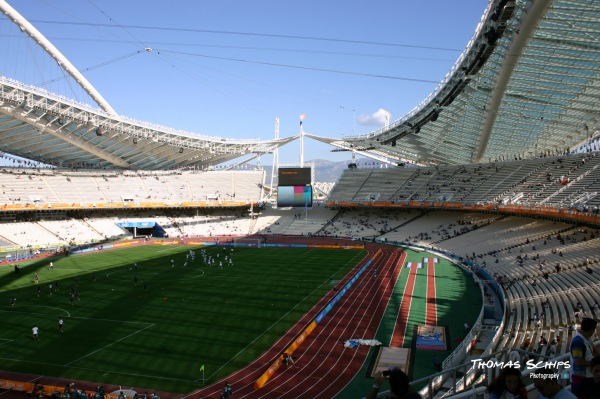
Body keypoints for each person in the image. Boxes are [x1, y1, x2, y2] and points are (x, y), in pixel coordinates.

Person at [570, 318, 600, 396]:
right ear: (591, 330)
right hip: (580, 379)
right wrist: (595, 364)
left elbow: (595, 352)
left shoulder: (586, 339)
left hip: (587, 377)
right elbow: (578, 362)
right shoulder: (578, 342)